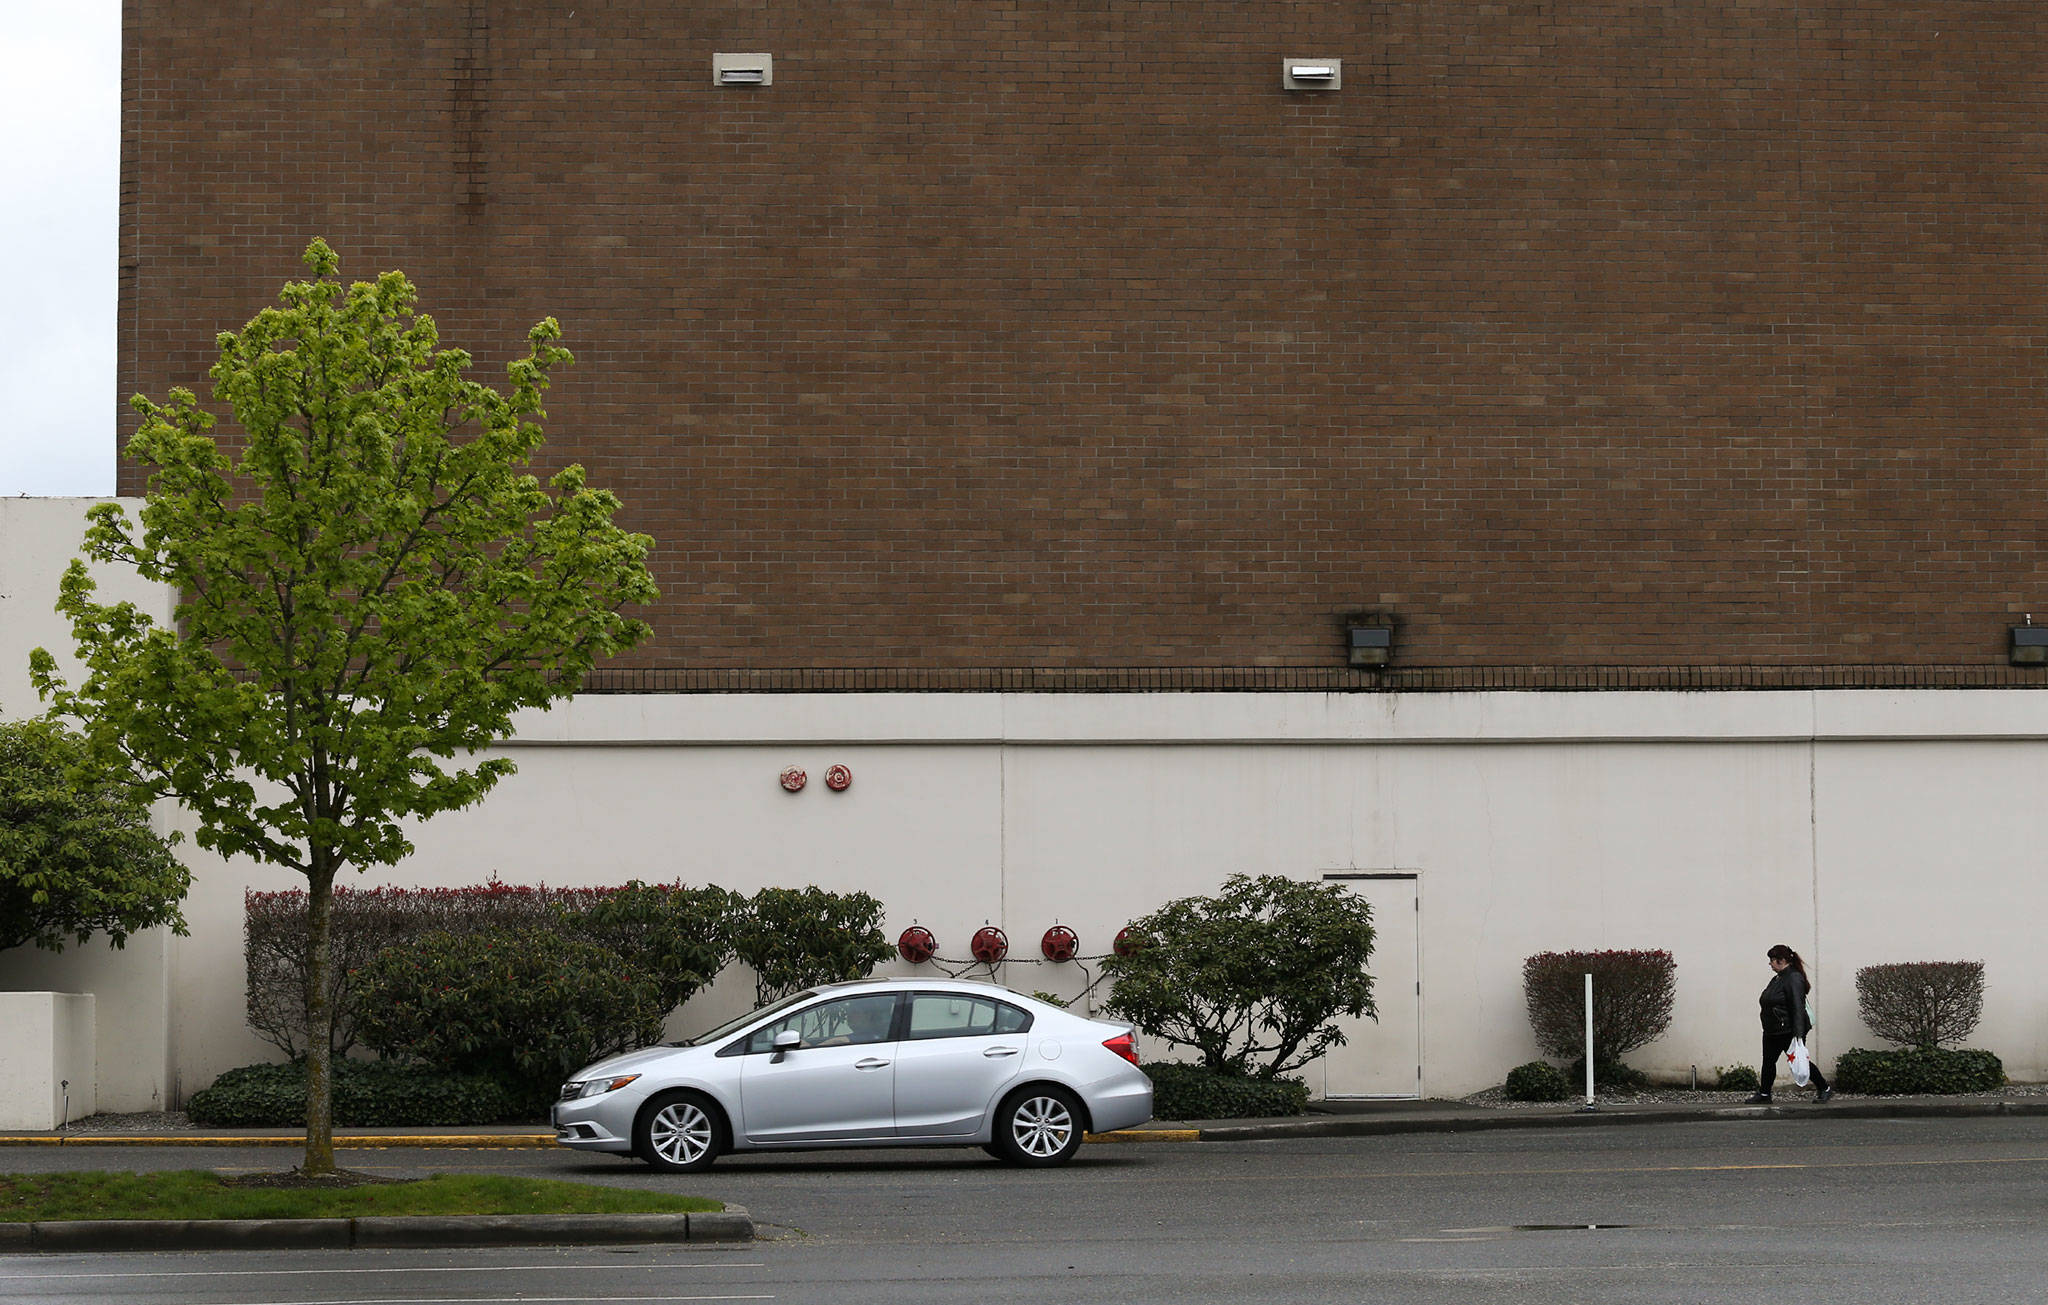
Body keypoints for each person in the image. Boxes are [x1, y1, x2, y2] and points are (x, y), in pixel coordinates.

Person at [1746, 943, 1833, 1103]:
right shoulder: (1778, 978)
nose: (1770, 964)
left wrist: (1798, 1035)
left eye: (1772, 960)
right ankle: (1764, 1094)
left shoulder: (1793, 978)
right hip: (1772, 1030)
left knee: (1800, 1061)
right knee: (1768, 1062)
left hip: (1787, 1031)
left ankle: (1824, 1088)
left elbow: (1797, 1007)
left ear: (1782, 960)